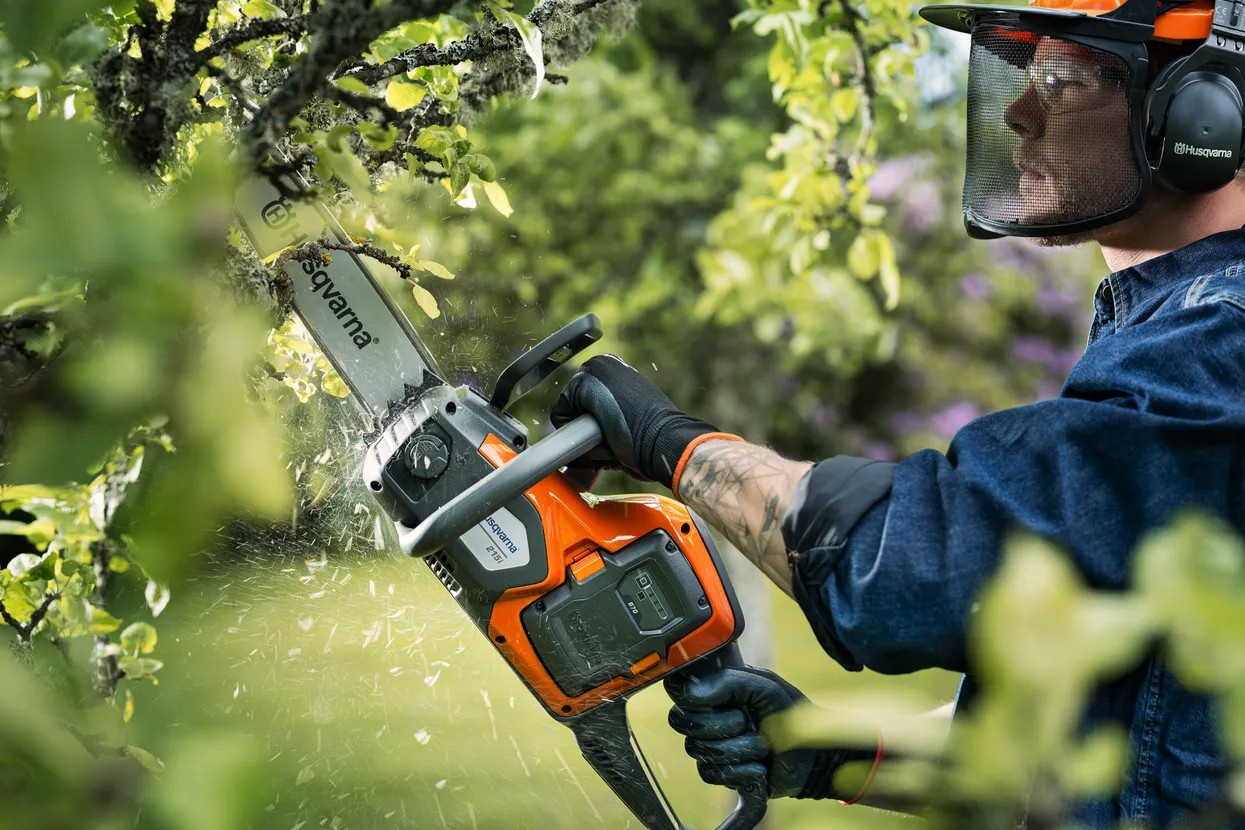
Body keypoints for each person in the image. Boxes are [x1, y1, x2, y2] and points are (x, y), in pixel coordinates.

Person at [549, 0, 1245, 826]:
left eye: (1058, 80)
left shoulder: (1220, 349)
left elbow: (906, 566)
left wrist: (673, 446)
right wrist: (825, 755)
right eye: (1021, 77)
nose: (1017, 113)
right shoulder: (1180, 335)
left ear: (1204, 114)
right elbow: (1081, 746)